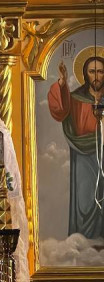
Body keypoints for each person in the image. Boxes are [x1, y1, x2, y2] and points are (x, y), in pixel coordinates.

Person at [48, 55, 104, 238]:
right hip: (83, 154)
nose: (96, 76)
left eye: (100, 72)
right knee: (85, 199)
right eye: (92, 72)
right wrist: (62, 84)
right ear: (85, 74)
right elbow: (60, 111)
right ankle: (84, 242)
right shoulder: (76, 98)